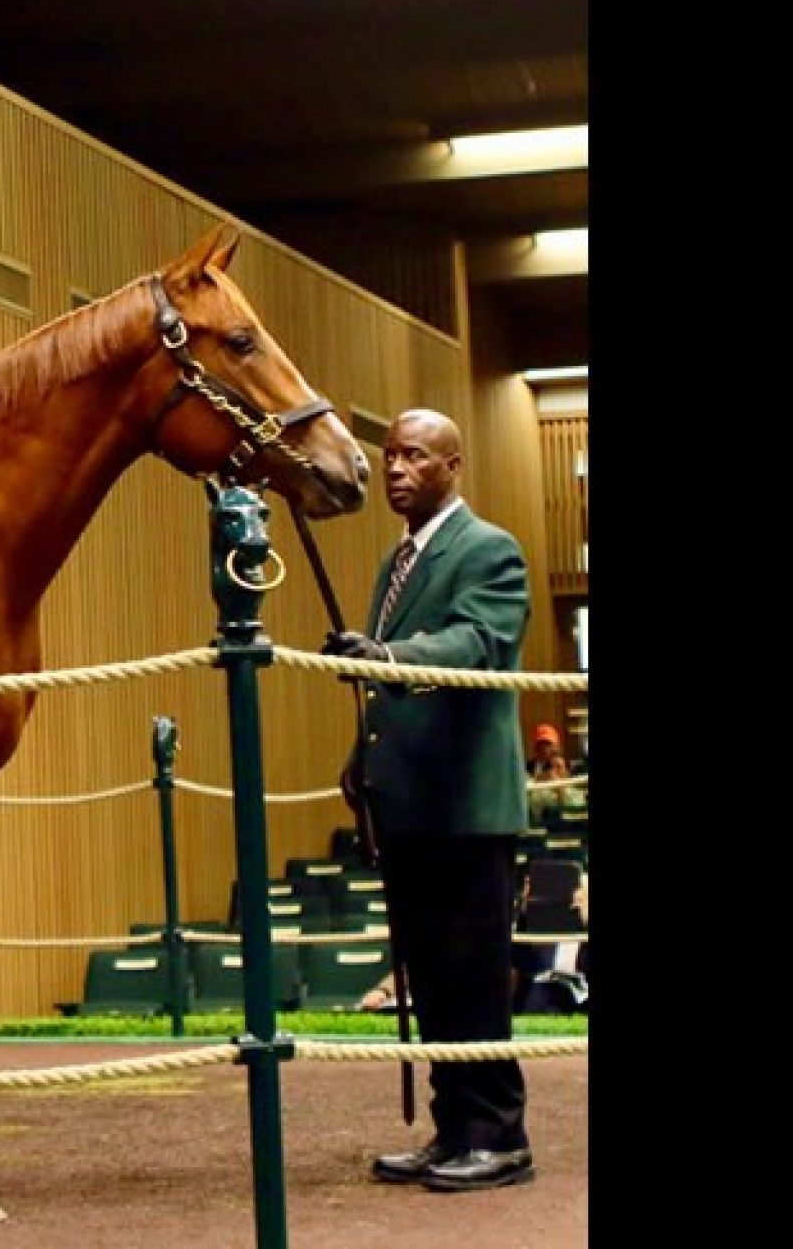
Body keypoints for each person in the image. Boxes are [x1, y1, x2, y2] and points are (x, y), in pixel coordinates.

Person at [321, 408, 536, 1194]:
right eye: (389, 456)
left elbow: (476, 643)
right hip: (408, 804)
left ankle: (500, 1136)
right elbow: (397, 685)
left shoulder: (489, 549)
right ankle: (455, 1130)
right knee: (432, 977)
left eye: (414, 455)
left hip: (466, 807)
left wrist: (387, 653)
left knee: (472, 976)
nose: (397, 469)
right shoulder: (398, 560)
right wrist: (362, 755)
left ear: (453, 466)